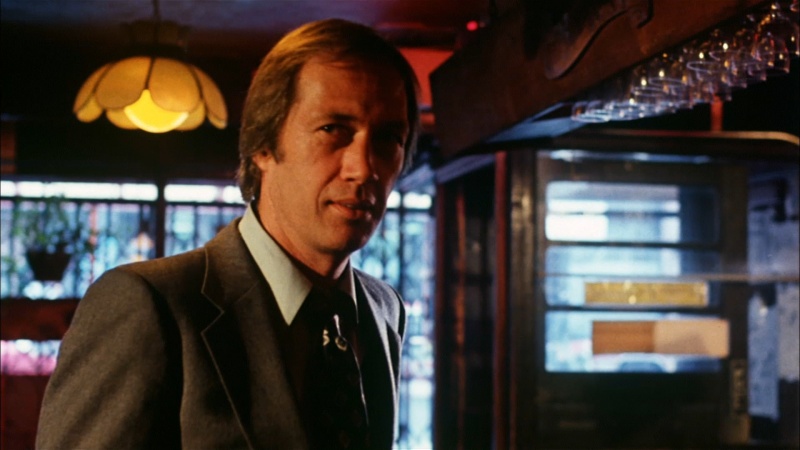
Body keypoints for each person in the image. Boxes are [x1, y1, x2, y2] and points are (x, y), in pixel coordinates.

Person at [36, 18, 419, 449]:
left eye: (389, 138)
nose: (364, 168)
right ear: (263, 145)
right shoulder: (150, 304)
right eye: (333, 129)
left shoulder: (382, 309)